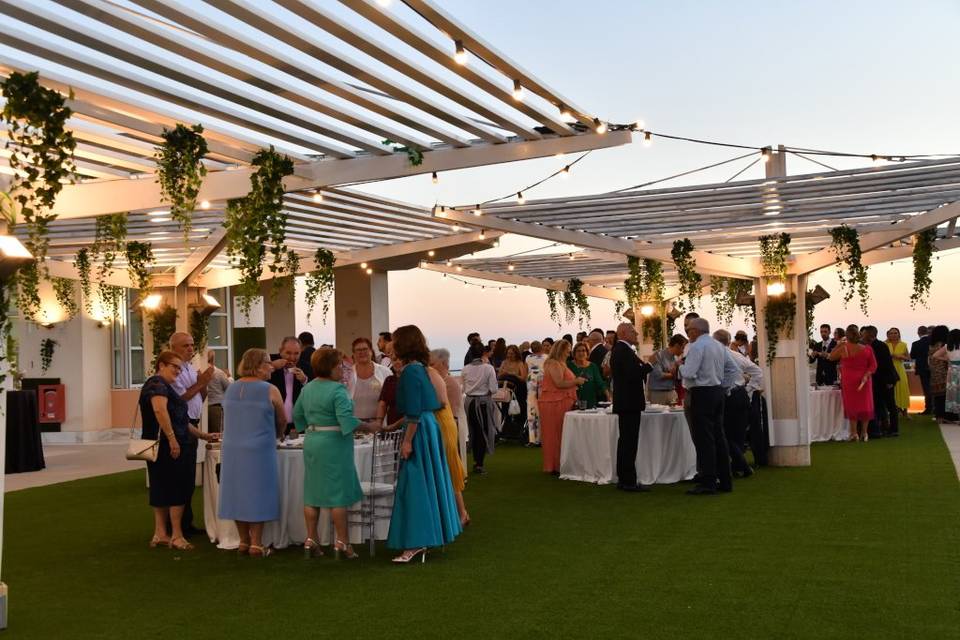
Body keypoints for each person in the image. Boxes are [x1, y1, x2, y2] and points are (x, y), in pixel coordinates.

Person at [295, 348, 380, 560]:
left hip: (312, 441)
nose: (343, 370)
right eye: (340, 366)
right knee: (337, 495)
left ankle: (311, 539)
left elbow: (297, 416)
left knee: (312, 493)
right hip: (334, 443)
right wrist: (371, 427)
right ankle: (342, 542)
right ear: (332, 367)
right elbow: (347, 421)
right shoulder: (338, 390)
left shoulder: (308, 389)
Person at [386, 325, 461, 564]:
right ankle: (426, 537)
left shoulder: (410, 372)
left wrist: (407, 441)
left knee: (415, 484)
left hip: (418, 429)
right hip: (427, 426)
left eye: (394, 341)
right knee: (427, 482)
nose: (391, 346)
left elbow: (415, 411)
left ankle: (416, 542)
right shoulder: (419, 369)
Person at [140, 351, 216, 550]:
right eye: (174, 366)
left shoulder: (164, 386)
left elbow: (179, 420)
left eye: (180, 368)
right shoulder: (157, 385)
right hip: (167, 446)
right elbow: (160, 411)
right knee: (176, 487)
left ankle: (160, 533)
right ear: (161, 365)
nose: (178, 370)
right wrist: (173, 439)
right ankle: (176, 535)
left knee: (161, 487)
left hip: (163, 444)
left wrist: (203, 435)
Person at [218, 348, 286, 557]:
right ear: (257, 366)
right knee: (259, 491)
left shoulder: (230, 388)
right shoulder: (269, 389)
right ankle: (257, 543)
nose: (271, 367)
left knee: (237, 492)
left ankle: (243, 541)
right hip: (259, 447)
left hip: (231, 447)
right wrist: (279, 434)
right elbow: (282, 418)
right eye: (268, 363)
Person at [168, 332, 214, 538]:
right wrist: (200, 382)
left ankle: (187, 522)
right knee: (181, 476)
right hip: (181, 426)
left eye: (192, 345)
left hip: (193, 422)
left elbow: (197, 395)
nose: (190, 348)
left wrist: (204, 384)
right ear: (174, 348)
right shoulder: (174, 370)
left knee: (188, 477)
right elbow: (181, 398)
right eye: (185, 345)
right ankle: (178, 525)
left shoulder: (188, 367)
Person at [679, 318, 731, 495]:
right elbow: (732, 369)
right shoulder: (719, 346)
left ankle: (708, 482)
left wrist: (680, 367)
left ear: (695, 331)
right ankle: (725, 480)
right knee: (719, 437)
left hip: (702, 393)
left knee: (704, 439)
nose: (688, 334)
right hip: (717, 392)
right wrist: (725, 387)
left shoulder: (697, 347)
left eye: (688, 330)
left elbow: (690, 372)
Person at [609, 322, 652, 492]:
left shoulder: (622, 350)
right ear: (624, 333)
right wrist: (649, 365)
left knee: (626, 441)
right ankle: (628, 480)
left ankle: (624, 478)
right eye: (634, 332)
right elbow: (632, 374)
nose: (637, 335)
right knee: (629, 442)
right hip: (629, 402)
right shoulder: (623, 350)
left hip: (626, 402)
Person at [427, 354, 470, 527]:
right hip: (442, 423)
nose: (430, 365)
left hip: (445, 424)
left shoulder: (446, 381)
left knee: (450, 469)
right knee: (447, 469)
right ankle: (458, 513)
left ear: (443, 363)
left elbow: (447, 406)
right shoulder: (438, 378)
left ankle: (461, 513)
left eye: (432, 362)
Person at [714, 330, 761, 478]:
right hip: (740, 395)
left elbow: (757, 372)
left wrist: (747, 388)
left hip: (730, 397)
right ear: (728, 342)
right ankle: (737, 467)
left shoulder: (720, 357)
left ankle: (742, 466)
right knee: (737, 434)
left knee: (727, 434)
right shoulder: (737, 356)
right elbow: (758, 372)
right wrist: (747, 389)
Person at [540, 339, 583, 474]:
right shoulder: (553, 363)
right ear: (562, 349)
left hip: (561, 401)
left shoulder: (561, 363)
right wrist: (576, 381)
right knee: (555, 434)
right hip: (555, 402)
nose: (570, 351)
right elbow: (559, 383)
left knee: (561, 433)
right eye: (568, 348)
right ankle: (555, 465)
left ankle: (560, 463)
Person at [829, 324, 877, 441]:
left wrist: (838, 345)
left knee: (852, 406)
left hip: (849, 380)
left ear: (847, 335)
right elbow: (873, 365)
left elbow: (831, 357)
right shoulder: (867, 349)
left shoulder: (843, 347)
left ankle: (854, 433)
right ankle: (864, 433)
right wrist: (867, 374)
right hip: (863, 380)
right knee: (865, 406)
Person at [461, 343, 498, 474]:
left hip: (469, 402)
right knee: (482, 432)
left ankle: (475, 461)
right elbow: (494, 389)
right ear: (483, 353)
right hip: (483, 402)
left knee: (473, 431)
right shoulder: (488, 368)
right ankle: (479, 463)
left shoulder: (465, 369)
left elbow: (463, 388)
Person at [431, 348, 468, 478]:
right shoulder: (443, 380)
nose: (430, 369)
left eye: (432, 365)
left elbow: (451, 409)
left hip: (452, 422)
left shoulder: (448, 382)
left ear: (443, 364)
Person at [343, 337, 392, 422]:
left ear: (371, 351)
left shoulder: (385, 372)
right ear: (353, 354)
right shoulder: (347, 374)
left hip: (378, 424)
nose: (362, 352)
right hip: (354, 424)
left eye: (365, 349)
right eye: (358, 350)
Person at [863, 326, 899, 437]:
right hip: (877, 381)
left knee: (890, 405)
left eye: (864, 334)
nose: (862, 336)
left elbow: (887, 365)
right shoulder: (870, 346)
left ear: (870, 335)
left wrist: (889, 381)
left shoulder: (880, 346)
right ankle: (882, 427)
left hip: (886, 380)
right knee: (879, 405)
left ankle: (894, 429)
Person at [269, 336, 307, 438]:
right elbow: (256, 378)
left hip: (297, 425)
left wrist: (304, 380)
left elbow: (315, 392)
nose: (292, 358)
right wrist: (272, 367)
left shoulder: (305, 366)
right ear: (280, 351)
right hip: (273, 423)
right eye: (288, 353)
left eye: (296, 353)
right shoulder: (269, 362)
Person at [930, 328, 960, 423]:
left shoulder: (947, 346)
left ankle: (953, 411)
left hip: (952, 371)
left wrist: (947, 359)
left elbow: (935, 355)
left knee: (954, 393)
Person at [648, 334, 687, 405]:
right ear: (677, 346)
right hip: (658, 394)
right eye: (682, 348)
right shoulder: (658, 355)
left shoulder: (675, 358)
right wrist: (674, 374)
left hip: (672, 392)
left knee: (675, 416)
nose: (683, 351)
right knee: (658, 416)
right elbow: (659, 375)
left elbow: (677, 376)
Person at [568, 342, 608, 409]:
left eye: (583, 350)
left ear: (587, 352)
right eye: (578, 351)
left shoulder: (593, 366)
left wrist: (607, 394)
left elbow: (600, 382)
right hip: (572, 401)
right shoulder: (569, 365)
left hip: (590, 400)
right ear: (574, 353)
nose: (581, 353)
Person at [525, 340, 547, 446]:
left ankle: (533, 439)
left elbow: (526, 372)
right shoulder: (547, 357)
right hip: (541, 384)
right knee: (540, 410)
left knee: (532, 410)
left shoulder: (528, 358)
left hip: (532, 384)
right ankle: (540, 438)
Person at [205, 349, 231, 434]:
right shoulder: (218, 373)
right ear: (213, 359)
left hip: (202, 409)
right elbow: (230, 388)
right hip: (216, 408)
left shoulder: (200, 371)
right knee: (216, 436)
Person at [885, 327, 910, 415]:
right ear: (888, 334)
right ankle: (895, 409)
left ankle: (905, 411)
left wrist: (900, 356)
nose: (893, 335)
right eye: (891, 333)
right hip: (889, 368)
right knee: (892, 389)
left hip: (899, 368)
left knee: (903, 387)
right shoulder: (885, 344)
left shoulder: (903, 344)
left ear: (899, 334)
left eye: (895, 333)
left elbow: (908, 358)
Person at [928, 325, 950, 422]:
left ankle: (938, 416)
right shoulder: (944, 345)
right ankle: (945, 416)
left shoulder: (931, 345)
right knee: (945, 396)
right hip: (944, 372)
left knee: (938, 396)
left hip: (934, 374)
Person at [911, 325, 932, 414]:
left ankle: (928, 408)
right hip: (933, 368)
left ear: (918, 333)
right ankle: (935, 408)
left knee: (926, 389)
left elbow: (912, 356)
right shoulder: (932, 342)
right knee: (935, 388)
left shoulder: (915, 344)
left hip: (922, 369)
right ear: (927, 332)